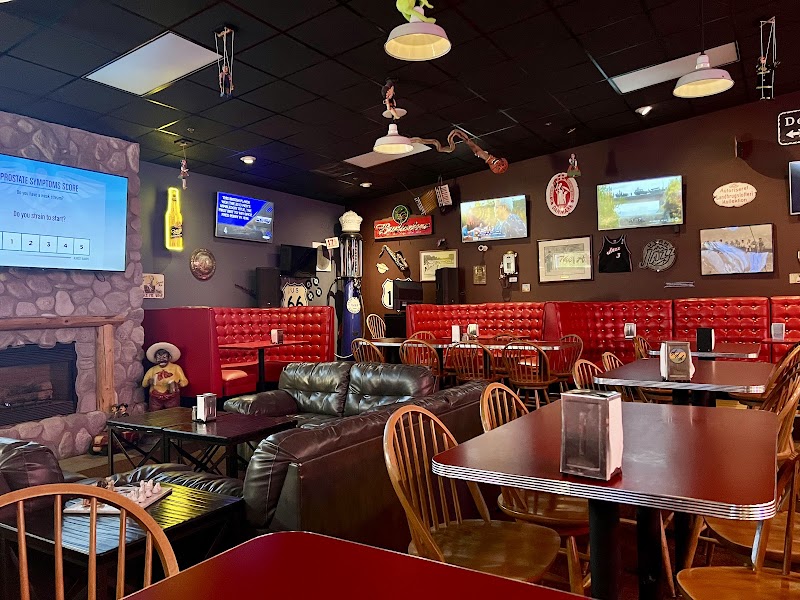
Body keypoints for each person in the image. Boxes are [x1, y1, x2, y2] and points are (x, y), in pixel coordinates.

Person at [142, 342, 188, 411]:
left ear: (169, 357)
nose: (161, 359)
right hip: (155, 397)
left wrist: (177, 385)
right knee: (154, 415)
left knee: (173, 414)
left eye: (164, 357)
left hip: (172, 397)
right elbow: (143, 384)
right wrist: (149, 382)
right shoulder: (152, 370)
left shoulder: (176, 368)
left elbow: (185, 381)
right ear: (155, 358)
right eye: (159, 357)